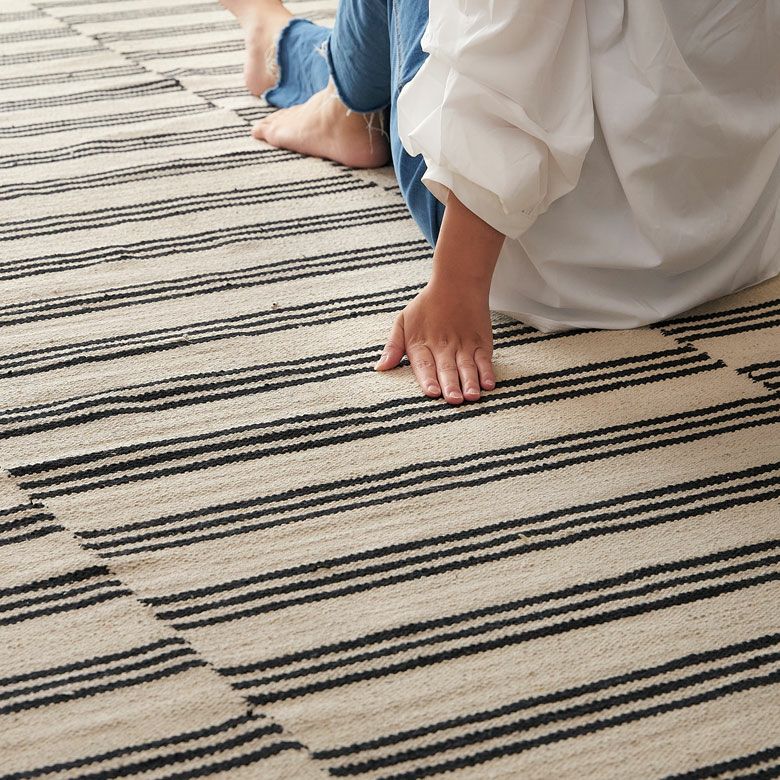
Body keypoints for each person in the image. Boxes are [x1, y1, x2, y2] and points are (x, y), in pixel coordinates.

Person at [221, 0, 780, 405]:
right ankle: (331, 91)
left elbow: (506, 49)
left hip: (548, 246)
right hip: (736, 223)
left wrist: (458, 284)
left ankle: (325, 90)